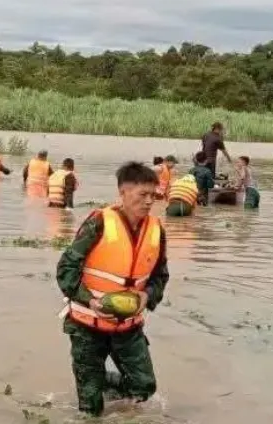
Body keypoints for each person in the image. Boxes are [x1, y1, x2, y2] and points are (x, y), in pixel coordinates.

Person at [56, 162, 169, 417]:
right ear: (123, 192)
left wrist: (146, 295)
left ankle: (99, 381)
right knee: (90, 409)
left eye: (154, 195)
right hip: (87, 326)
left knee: (144, 386)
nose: (149, 201)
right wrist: (90, 301)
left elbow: (161, 276)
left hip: (128, 327)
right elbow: (66, 269)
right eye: (143, 195)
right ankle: (91, 382)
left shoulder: (156, 230)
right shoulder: (99, 222)